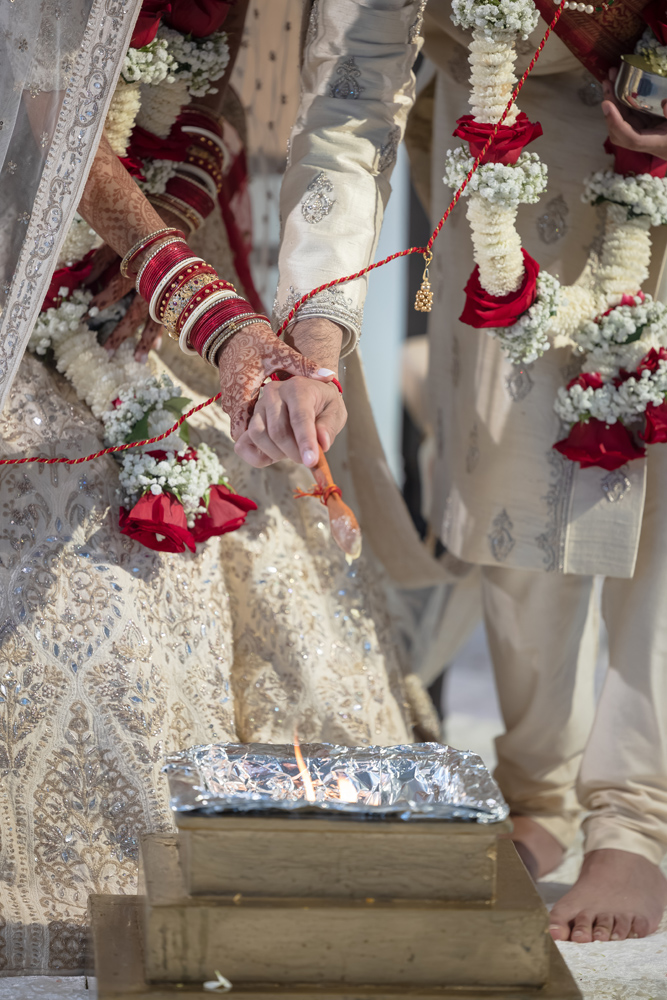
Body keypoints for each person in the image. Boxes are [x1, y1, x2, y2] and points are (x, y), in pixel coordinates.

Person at [0, 0, 434, 974]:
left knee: (248, 504)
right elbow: (37, 92)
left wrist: (190, 217)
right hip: (18, 208)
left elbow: (245, 80)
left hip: (146, 206)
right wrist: (214, 314)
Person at [411, 0, 667, 944]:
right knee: (513, 478)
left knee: (663, 478)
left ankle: (633, 822)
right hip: (515, 125)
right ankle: (536, 790)